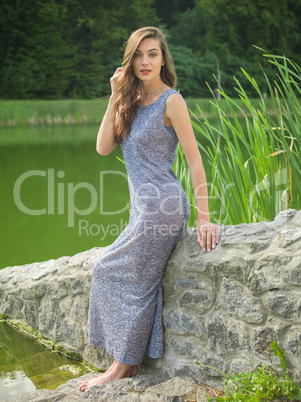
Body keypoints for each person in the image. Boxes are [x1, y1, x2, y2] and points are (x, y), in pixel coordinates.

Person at [78, 26, 219, 392]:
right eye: (139, 54)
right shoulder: (128, 101)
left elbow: (195, 161)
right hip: (141, 210)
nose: (145, 61)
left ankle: (122, 367)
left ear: (162, 59)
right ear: (130, 60)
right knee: (131, 278)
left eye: (153, 54)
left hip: (165, 207)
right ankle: (130, 359)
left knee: (111, 271)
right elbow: (103, 148)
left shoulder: (172, 101)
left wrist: (204, 217)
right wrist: (113, 97)